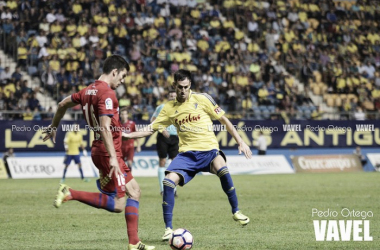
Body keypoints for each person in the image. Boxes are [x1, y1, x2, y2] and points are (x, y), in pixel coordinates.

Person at [123, 69, 252, 240]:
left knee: (223, 169)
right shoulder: (168, 108)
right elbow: (150, 129)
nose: (183, 91)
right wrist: (129, 135)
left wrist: (240, 141)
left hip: (209, 150)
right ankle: (168, 229)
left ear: (190, 84)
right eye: (179, 87)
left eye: (186, 87)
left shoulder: (203, 98)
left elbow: (224, 120)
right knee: (168, 182)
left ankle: (236, 211)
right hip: (186, 154)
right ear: (174, 85)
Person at [42, 55, 155, 250]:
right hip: (108, 152)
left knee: (134, 191)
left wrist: (54, 127)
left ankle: (134, 242)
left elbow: (62, 104)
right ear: (114, 72)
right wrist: (113, 157)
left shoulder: (87, 91)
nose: (123, 80)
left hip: (100, 149)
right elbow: (104, 127)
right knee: (121, 203)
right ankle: (70, 193)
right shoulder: (107, 94)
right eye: (123, 75)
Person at [151, 88, 179, 196]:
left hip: (175, 138)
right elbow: (153, 120)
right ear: (168, 97)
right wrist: (162, 129)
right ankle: (162, 189)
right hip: (163, 137)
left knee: (175, 163)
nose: (172, 98)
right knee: (162, 161)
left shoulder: (181, 108)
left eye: (174, 96)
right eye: (170, 96)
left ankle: (173, 189)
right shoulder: (161, 107)